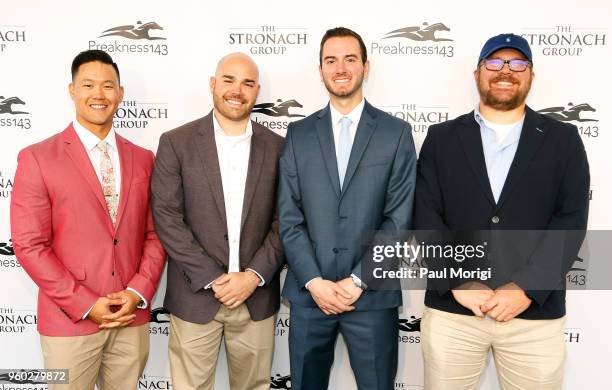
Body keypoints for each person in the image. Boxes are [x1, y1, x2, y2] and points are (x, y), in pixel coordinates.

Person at [415, 33, 590, 389]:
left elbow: (570, 222)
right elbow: (425, 214)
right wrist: (458, 281)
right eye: (494, 63)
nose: (505, 71)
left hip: (534, 315)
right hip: (454, 311)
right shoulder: (441, 138)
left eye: (517, 63)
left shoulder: (563, 139)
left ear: (531, 75)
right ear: (477, 74)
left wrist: (526, 287)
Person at [10, 50, 167, 389]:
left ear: (121, 93)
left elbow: (155, 236)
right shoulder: (37, 158)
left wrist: (138, 292)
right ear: (72, 90)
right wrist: (85, 303)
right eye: (88, 85)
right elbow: (29, 245)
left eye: (108, 86)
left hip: (130, 318)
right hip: (70, 323)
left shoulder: (143, 159)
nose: (99, 94)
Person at [278, 27, 416, 390]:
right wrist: (314, 281)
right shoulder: (298, 134)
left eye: (350, 59)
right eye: (331, 60)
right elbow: (289, 218)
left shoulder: (396, 133)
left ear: (366, 67)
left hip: (370, 296)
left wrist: (358, 280)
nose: (340, 68)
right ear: (320, 69)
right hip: (310, 297)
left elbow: (398, 218)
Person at [151, 52, 285, 390]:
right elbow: (167, 217)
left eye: (247, 83)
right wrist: (213, 277)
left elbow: (287, 220)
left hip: (256, 296)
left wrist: (252, 276)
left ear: (257, 91)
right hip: (195, 295)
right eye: (228, 80)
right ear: (213, 84)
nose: (236, 90)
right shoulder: (175, 142)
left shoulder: (280, 147)